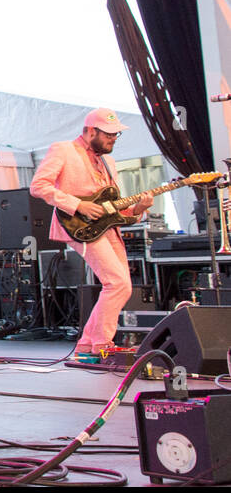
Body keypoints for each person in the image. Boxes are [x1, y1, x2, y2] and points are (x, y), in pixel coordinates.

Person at [30, 108, 152, 359]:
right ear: (89, 131)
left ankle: (87, 343)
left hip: (108, 228)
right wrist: (78, 205)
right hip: (79, 225)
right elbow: (38, 186)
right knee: (116, 283)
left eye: (116, 135)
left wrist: (138, 210)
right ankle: (101, 342)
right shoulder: (63, 150)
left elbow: (112, 206)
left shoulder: (109, 162)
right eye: (108, 134)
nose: (113, 139)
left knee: (122, 286)